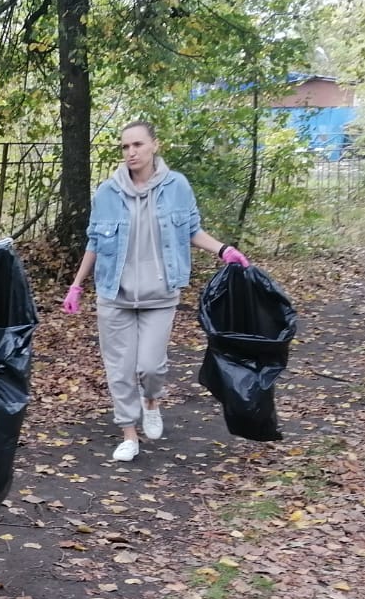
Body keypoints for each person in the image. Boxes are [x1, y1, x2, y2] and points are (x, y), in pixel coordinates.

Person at [63, 120, 251, 462]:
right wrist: (76, 285)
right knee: (120, 369)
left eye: (137, 144)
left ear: (154, 145)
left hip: (159, 294)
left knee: (150, 366)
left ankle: (151, 401)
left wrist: (224, 250)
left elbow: (192, 230)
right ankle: (128, 434)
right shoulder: (107, 192)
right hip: (114, 295)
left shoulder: (177, 186)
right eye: (125, 146)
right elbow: (94, 242)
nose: (131, 152)